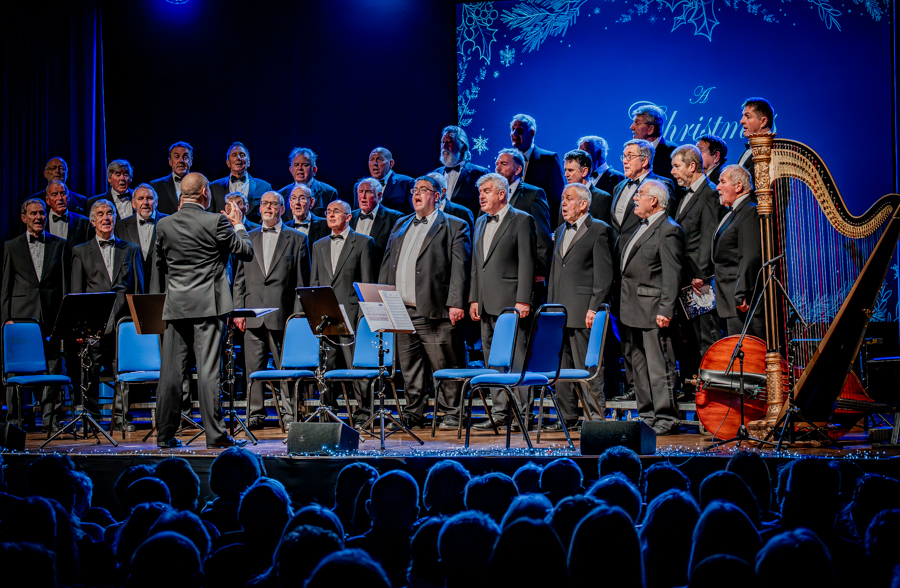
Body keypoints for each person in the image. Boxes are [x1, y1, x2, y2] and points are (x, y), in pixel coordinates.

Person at [154, 172, 253, 449]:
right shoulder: (216, 221)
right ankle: (216, 436)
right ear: (205, 194)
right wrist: (239, 224)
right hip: (209, 306)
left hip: (176, 306)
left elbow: (161, 264)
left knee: (172, 372)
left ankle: (165, 435)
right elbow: (246, 251)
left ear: (180, 196)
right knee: (209, 371)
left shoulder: (164, 224)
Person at [379, 176, 471, 430]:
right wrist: (384, 300)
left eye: (423, 190)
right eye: (414, 190)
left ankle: (452, 412)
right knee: (410, 368)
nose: (417, 194)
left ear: (437, 195)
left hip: (436, 309)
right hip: (402, 310)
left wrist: (456, 303)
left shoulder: (454, 225)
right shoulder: (401, 224)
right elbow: (388, 265)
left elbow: (460, 268)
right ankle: (413, 414)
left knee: (445, 365)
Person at [233, 191, 310, 429]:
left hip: (283, 315)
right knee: (252, 368)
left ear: (281, 209)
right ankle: (255, 413)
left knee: (285, 368)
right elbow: (239, 279)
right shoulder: (248, 237)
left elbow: (302, 283)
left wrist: (297, 318)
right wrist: (238, 311)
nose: (268, 207)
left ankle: (288, 414)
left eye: (273, 204)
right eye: (264, 203)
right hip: (252, 315)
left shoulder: (296, 239)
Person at [469, 173, 536, 431]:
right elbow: (478, 265)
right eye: (480, 192)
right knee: (493, 361)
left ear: (501, 193)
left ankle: (522, 415)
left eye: (486, 191)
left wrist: (523, 300)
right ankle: (499, 413)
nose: (481, 196)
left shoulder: (521, 220)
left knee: (515, 359)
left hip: (510, 303)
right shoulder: (480, 222)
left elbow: (527, 263)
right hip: (486, 303)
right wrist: (474, 297)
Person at [70, 199, 144, 430]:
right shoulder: (80, 252)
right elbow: (76, 293)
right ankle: (91, 418)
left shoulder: (130, 249)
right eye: (100, 214)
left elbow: (138, 290)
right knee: (89, 372)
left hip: (123, 324)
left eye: (109, 213)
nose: (106, 218)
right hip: (94, 325)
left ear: (115, 217)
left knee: (123, 371)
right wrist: (80, 327)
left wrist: (137, 324)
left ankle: (121, 418)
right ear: (93, 221)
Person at [546, 183, 614, 430]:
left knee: (589, 367)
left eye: (569, 199)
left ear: (584, 204)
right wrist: (551, 309)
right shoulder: (560, 230)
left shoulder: (599, 230)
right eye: (562, 198)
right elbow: (555, 272)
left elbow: (604, 274)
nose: (563, 203)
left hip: (584, 311)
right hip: (559, 312)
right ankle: (567, 418)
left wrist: (594, 308)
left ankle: (596, 417)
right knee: (561, 369)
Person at [619, 180, 684, 435]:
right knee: (639, 367)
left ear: (654, 200)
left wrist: (666, 310)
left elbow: (672, 275)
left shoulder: (669, 230)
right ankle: (646, 416)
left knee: (659, 367)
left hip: (654, 310)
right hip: (632, 309)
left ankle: (667, 418)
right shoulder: (642, 226)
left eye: (640, 194)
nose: (635, 198)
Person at [1, 199, 67, 431]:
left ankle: (52, 419)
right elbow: (6, 287)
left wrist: (63, 319)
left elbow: (63, 286)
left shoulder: (60, 245)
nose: (39, 217)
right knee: (18, 369)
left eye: (41, 213)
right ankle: (15, 420)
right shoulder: (12, 246)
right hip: (20, 319)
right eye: (33, 214)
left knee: (52, 366)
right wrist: (6, 320)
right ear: (24, 218)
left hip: (50, 317)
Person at [310, 200, 376, 424]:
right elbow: (315, 283)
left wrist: (364, 317)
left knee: (356, 366)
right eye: (328, 212)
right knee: (325, 364)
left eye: (336, 211)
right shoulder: (318, 245)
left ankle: (364, 412)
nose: (331, 215)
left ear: (349, 216)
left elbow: (367, 283)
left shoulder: (364, 243)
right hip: (326, 316)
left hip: (352, 315)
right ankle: (327, 410)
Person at [669, 144, 722, 398]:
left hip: (700, 281)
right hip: (685, 277)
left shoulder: (709, 193)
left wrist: (701, 273)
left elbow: (709, 236)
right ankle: (693, 387)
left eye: (676, 166)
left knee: (706, 337)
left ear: (692, 166)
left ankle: (713, 393)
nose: (672, 172)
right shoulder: (686, 194)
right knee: (687, 337)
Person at [494, 148, 552, 300]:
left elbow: (542, 236)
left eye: (504, 164)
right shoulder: (491, 196)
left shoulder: (533, 194)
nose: (498, 168)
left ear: (518, 169)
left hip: (522, 273)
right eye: (497, 163)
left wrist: (539, 269)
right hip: (497, 272)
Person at [713, 164, 764, 338]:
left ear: (738, 186)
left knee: (747, 357)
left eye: (722, 182)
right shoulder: (734, 212)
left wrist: (741, 292)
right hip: (729, 298)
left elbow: (750, 256)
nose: (718, 187)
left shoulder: (749, 211)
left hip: (740, 301)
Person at [610, 139, 678, 241]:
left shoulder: (661, 185)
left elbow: (665, 222)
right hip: (617, 253)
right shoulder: (618, 187)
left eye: (630, 156)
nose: (624, 161)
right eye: (624, 156)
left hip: (643, 251)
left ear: (644, 161)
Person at [509, 114, 565, 226]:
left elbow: (556, 199)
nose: (514, 134)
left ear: (532, 133)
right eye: (512, 129)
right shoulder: (506, 160)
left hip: (538, 226)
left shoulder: (549, 159)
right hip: (511, 225)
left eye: (519, 130)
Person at [115, 183, 168, 294]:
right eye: (141, 199)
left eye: (149, 198)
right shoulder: (120, 227)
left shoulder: (168, 222)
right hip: (133, 289)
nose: (145, 203)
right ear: (133, 204)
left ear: (156, 201)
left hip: (162, 288)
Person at [431, 125, 488, 219]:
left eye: (449, 142)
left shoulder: (480, 173)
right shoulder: (435, 175)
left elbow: (485, 207)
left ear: (463, 148)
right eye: (442, 142)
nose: (444, 147)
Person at [209, 142, 272, 222]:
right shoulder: (214, 187)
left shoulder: (264, 187)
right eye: (234, 155)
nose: (238, 158)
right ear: (228, 163)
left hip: (253, 233)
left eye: (242, 155)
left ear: (248, 162)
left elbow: (267, 217)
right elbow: (210, 216)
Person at [349, 177, 403, 266]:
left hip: (377, 272)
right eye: (360, 191)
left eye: (368, 192)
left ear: (379, 196)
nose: (363, 196)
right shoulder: (349, 217)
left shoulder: (394, 218)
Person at [277, 147, 338, 215]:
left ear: (314, 170)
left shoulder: (329, 193)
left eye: (305, 165)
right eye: (296, 165)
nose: (300, 168)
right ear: (291, 170)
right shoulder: (281, 194)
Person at [563, 148, 613, 224]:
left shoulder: (602, 198)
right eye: (565, 170)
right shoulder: (565, 196)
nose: (566, 175)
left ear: (584, 171)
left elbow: (602, 230)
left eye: (570, 170)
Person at [356, 147, 414, 213]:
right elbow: (356, 214)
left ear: (391, 163)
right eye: (371, 160)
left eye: (380, 160)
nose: (374, 163)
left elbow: (412, 213)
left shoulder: (406, 183)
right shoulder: (359, 186)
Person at [630, 104, 677, 182]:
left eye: (637, 123)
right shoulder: (634, 151)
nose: (631, 127)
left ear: (650, 129)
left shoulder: (672, 152)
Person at [44, 180, 93, 251]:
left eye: (63, 193)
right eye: (54, 195)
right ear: (47, 200)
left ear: (69, 197)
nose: (60, 198)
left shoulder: (84, 222)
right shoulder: (42, 222)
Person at [738, 97, 775, 185]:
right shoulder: (749, 149)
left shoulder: (774, 150)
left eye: (748, 116)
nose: (741, 121)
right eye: (743, 116)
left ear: (763, 122)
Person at [150, 141, 193, 215]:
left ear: (191, 161)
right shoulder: (156, 186)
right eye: (177, 157)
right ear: (170, 161)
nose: (181, 161)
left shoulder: (202, 184)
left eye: (185, 157)